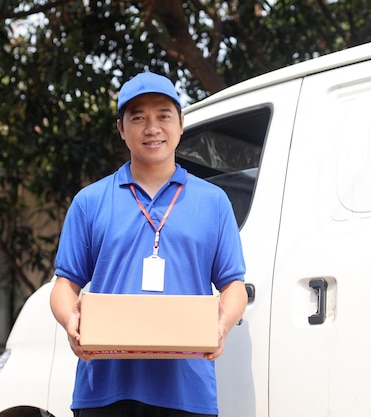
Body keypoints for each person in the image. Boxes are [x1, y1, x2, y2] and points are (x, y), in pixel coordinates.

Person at [49, 71, 248, 417]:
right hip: (104, 388)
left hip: (187, 390)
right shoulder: (90, 201)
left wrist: (222, 323)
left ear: (181, 123)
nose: (151, 127)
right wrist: (72, 320)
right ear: (121, 129)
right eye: (138, 118)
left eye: (163, 116)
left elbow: (234, 286)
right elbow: (64, 285)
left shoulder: (214, 202)